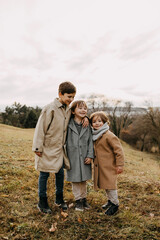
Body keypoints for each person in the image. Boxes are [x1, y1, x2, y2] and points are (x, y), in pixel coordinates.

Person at [32, 81, 77, 213]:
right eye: (69, 96)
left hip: (60, 149)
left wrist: (85, 118)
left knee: (60, 173)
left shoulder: (68, 109)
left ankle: (59, 199)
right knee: (44, 173)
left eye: (73, 97)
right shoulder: (50, 108)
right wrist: (37, 148)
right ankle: (42, 201)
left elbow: (78, 115)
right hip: (47, 147)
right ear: (60, 94)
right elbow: (40, 128)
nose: (71, 99)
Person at [90, 111, 124, 215]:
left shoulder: (109, 135)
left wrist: (119, 165)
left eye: (100, 121)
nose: (97, 123)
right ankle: (110, 201)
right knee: (105, 185)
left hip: (110, 166)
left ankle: (115, 204)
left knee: (110, 185)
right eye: (94, 121)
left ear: (105, 122)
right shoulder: (95, 135)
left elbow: (119, 151)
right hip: (101, 166)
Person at [66, 100, 94, 211]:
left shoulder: (87, 125)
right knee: (76, 180)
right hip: (72, 156)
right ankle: (78, 200)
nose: (83, 110)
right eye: (80, 108)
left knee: (83, 179)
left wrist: (90, 155)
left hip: (84, 156)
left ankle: (84, 199)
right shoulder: (68, 123)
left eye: (85, 109)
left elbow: (91, 141)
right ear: (73, 111)